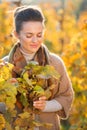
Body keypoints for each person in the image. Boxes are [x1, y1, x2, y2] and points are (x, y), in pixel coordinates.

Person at [2, 5, 74, 130]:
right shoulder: (4, 67)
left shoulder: (55, 63)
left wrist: (46, 106)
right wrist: (10, 94)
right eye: (29, 35)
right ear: (16, 34)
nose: (35, 40)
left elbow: (66, 96)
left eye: (39, 35)